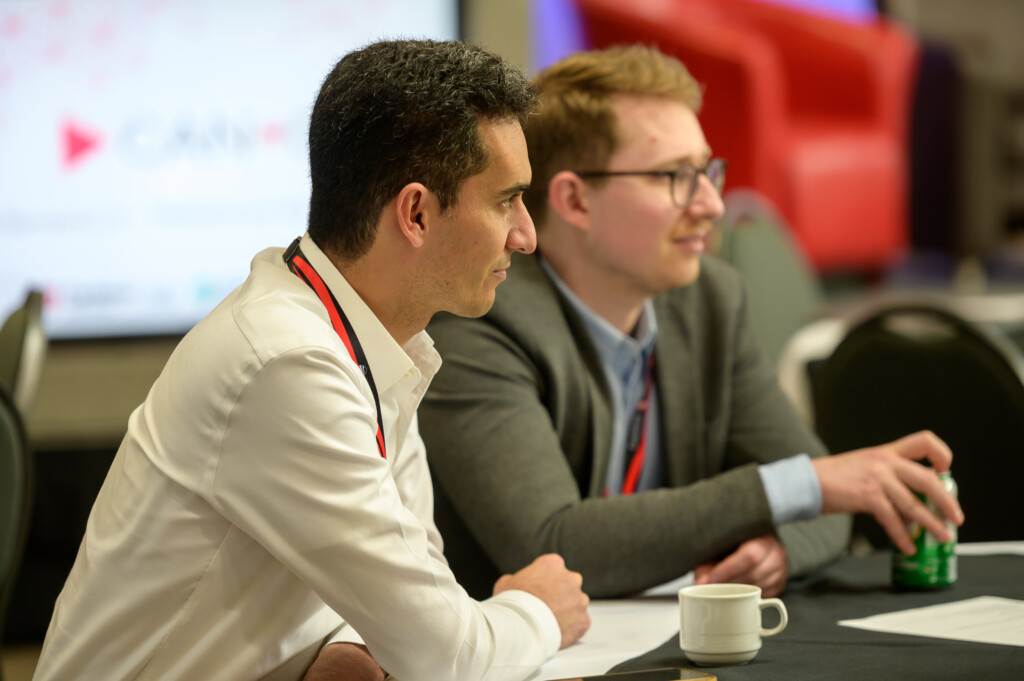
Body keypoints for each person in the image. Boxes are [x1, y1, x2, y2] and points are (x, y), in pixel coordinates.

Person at [33, 40, 590, 681]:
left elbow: (415, 596)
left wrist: (350, 645)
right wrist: (538, 610)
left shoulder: (369, 337)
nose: (526, 234)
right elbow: (446, 654)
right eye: (505, 201)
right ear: (415, 213)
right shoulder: (287, 362)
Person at [419, 45, 964, 601]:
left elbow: (825, 508)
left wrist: (773, 550)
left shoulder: (709, 302)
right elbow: (552, 543)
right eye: (673, 175)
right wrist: (794, 489)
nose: (711, 204)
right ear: (575, 201)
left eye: (707, 172)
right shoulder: (477, 318)